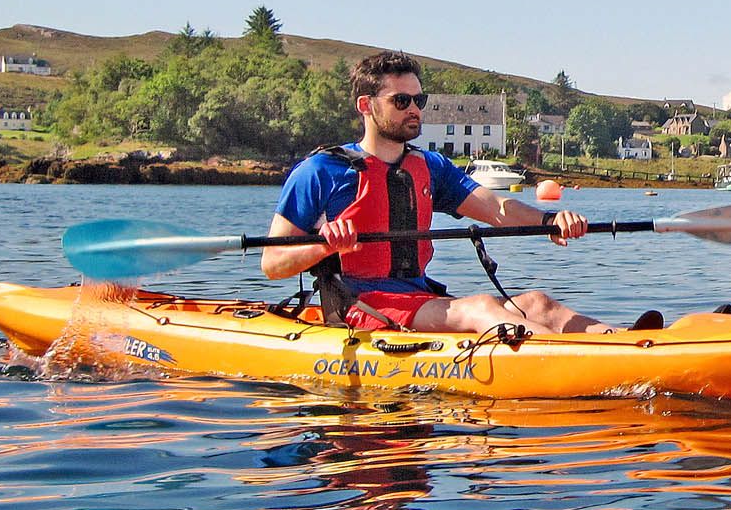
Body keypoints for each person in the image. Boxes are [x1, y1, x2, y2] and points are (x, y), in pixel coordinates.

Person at [262, 51, 646, 335]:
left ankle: (628, 344)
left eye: (419, 100)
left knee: (537, 303)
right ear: (366, 105)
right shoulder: (321, 171)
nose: (414, 109)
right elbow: (272, 263)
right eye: (401, 101)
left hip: (419, 299)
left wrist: (549, 220)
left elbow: (496, 208)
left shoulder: (430, 166)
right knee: (479, 307)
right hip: (361, 307)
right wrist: (325, 247)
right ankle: (573, 363)